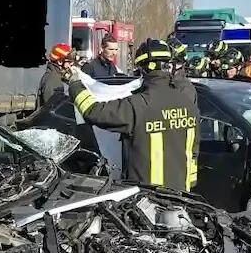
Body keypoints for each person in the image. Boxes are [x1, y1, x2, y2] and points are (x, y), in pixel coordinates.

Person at [60, 38, 200, 191]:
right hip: (182, 195)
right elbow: (194, 150)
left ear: (144, 69)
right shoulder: (187, 102)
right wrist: (189, 183)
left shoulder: (138, 105)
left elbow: (93, 111)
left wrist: (74, 84)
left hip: (149, 197)